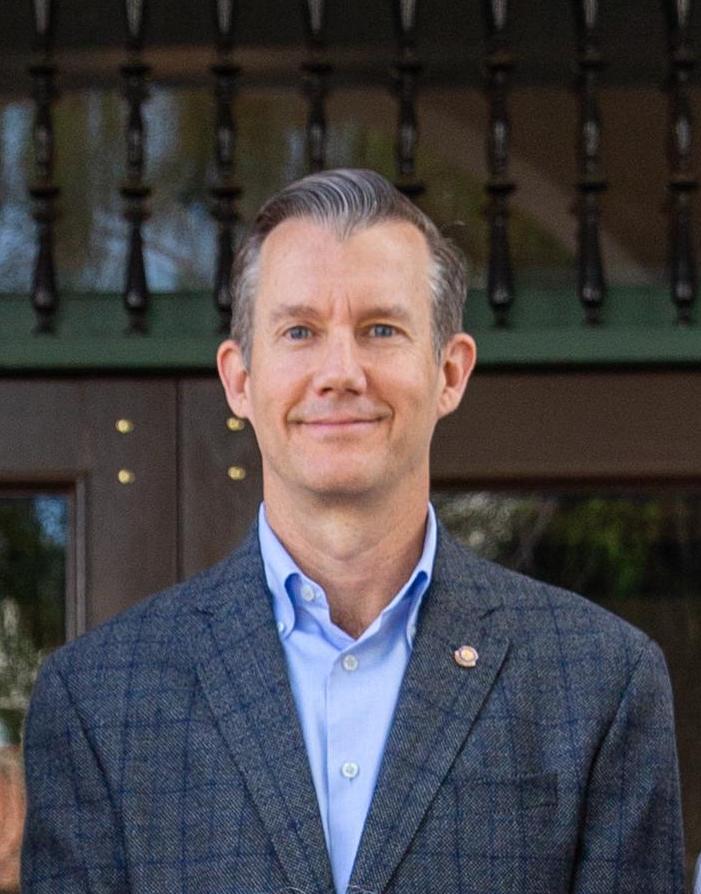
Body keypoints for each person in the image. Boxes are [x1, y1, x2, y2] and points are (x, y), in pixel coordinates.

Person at [22, 169, 684, 893]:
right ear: (239, 379)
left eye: (380, 330)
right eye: (299, 331)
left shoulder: (598, 681)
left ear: (450, 372)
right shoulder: (98, 700)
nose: (340, 372)